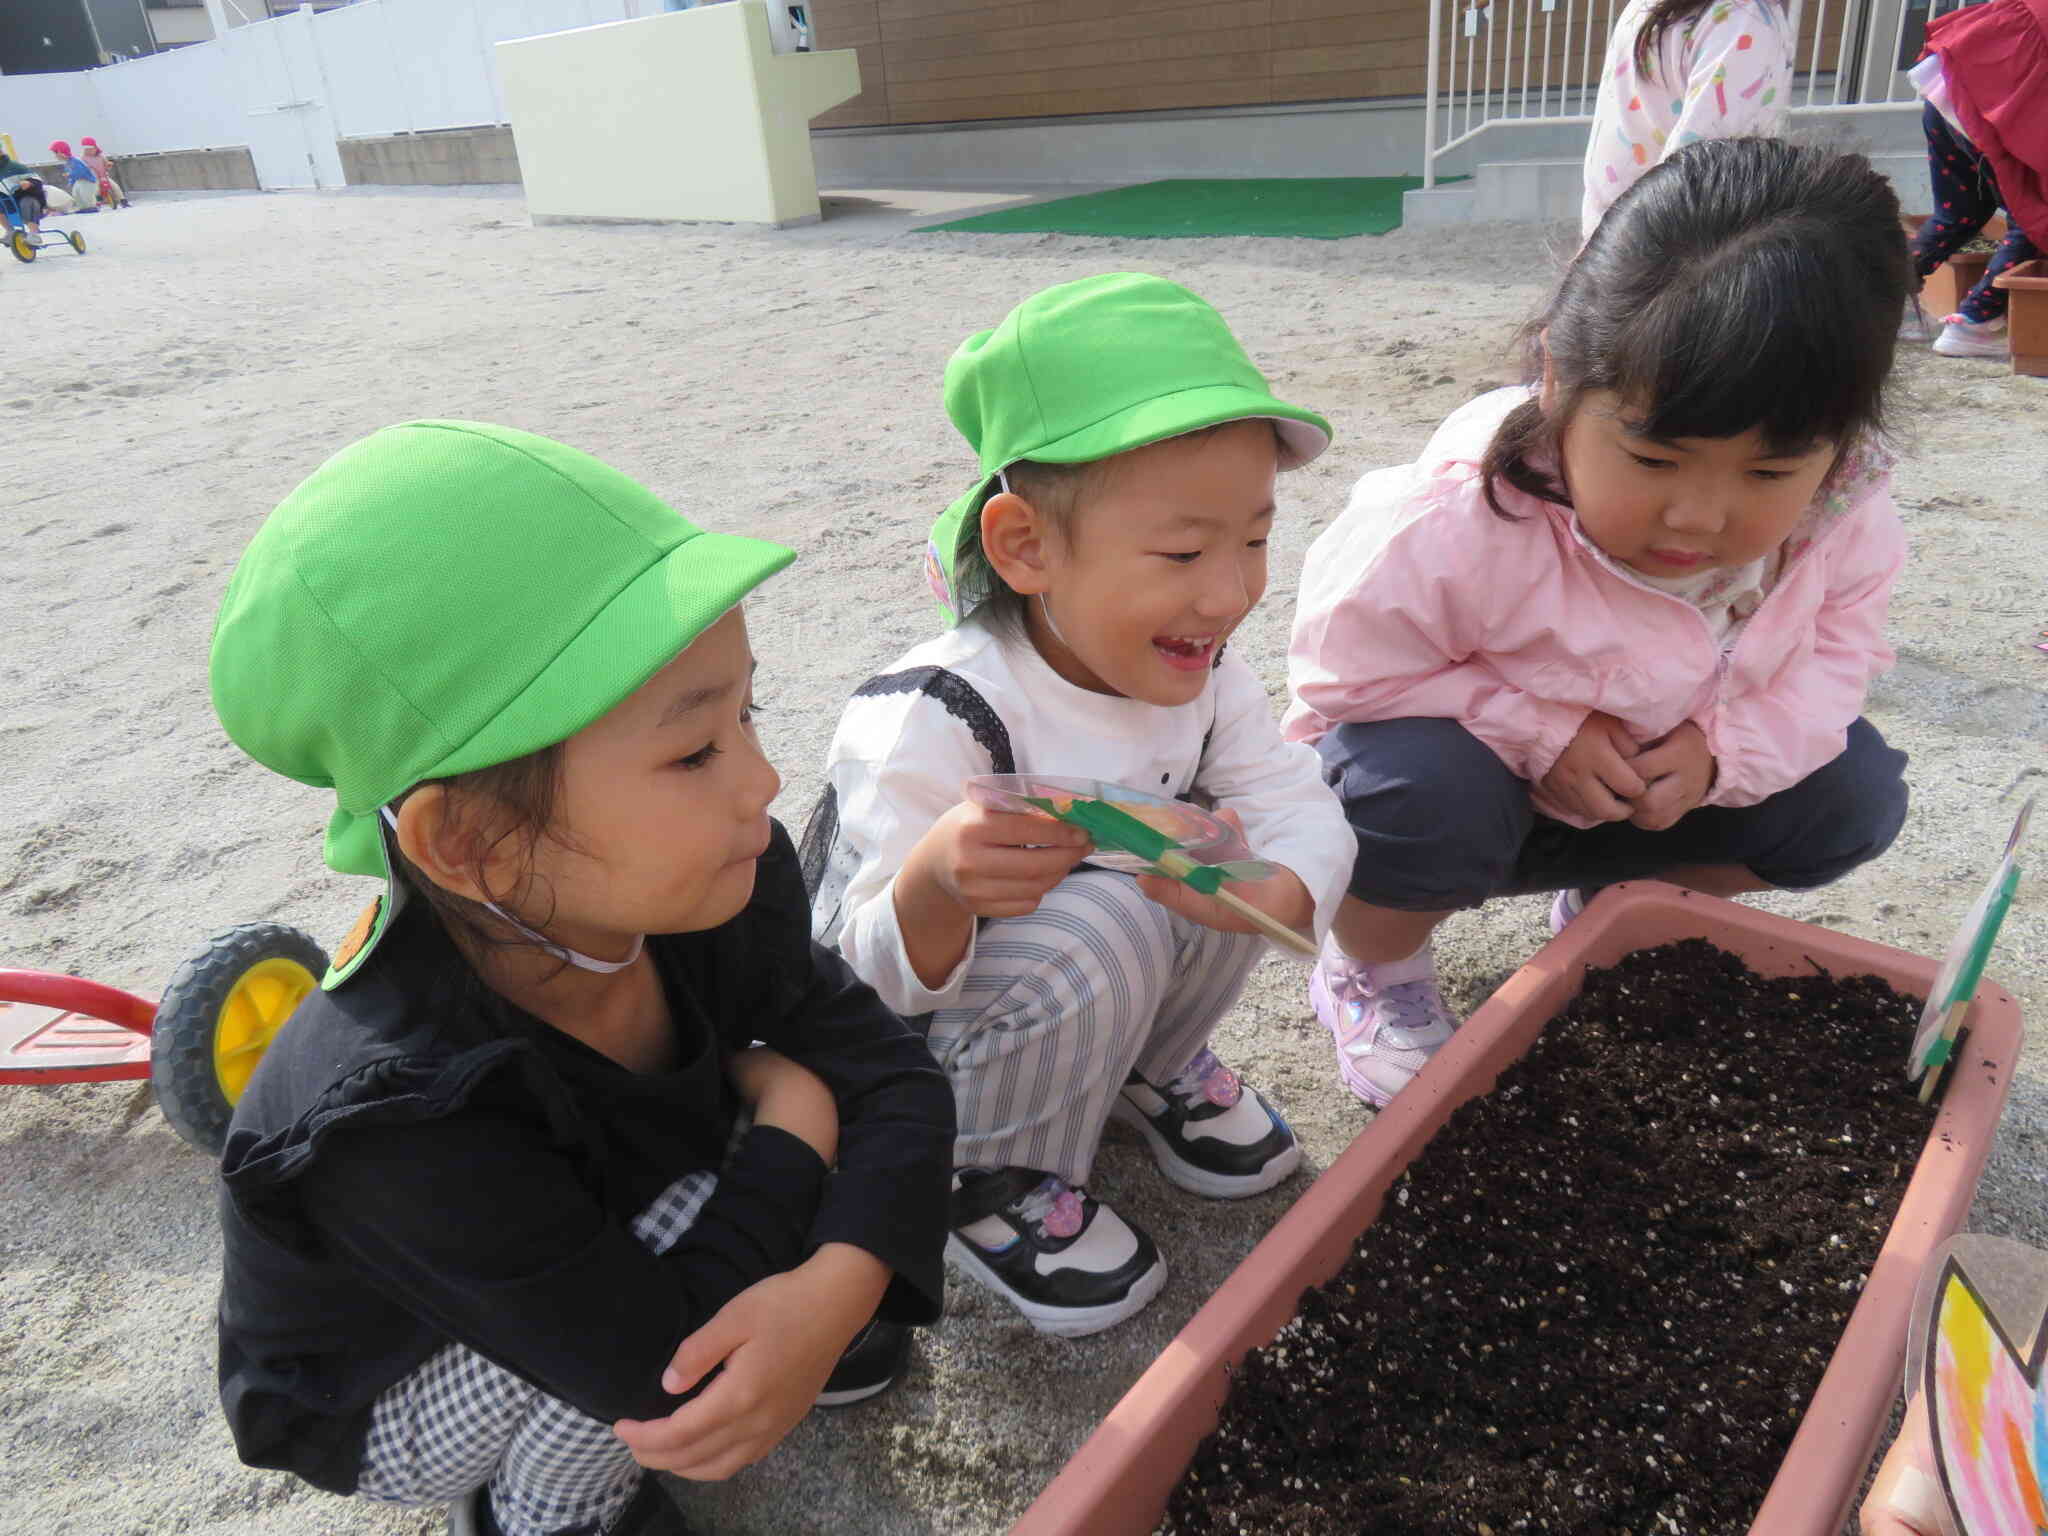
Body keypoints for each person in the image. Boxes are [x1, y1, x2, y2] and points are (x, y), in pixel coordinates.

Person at [207, 421, 955, 1536]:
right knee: (707, 1248)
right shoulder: (404, 1115)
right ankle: (547, 1513)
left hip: (568, 1233)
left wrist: (834, 1285)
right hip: (385, 1385)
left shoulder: (702, 889)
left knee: (773, 1175)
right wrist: (799, 1124)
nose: (762, 780)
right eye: (693, 751)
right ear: (468, 842)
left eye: (745, 712)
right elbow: (661, 1375)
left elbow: (895, 1073)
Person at [1289, 138, 1913, 1109]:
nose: (1697, 518)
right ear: (1556, 380)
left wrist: (1720, 753)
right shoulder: (1456, 518)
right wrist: (1535, 728)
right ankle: (1371, 968)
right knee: (1414, 784)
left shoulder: (1841, 518)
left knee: (1852, 795)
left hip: (1650, 801)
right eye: (1654, 460)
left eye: (1767, 472)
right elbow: (1344, 679)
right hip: (1472, 802)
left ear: (1838, 448)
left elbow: (1837, 660)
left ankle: (1616, 911)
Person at [805, 273, 1353, 1337]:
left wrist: (1281, 886)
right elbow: (847, 979)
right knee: (1108, 915)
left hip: (1086, 977)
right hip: (928, 1041)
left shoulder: (1205, 673)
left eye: (1253, 539)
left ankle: (1145, 1066)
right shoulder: (935, 714)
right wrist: (936, 882)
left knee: (1227, 857)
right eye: (1183, 552)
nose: (1230, 593)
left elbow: (1293, 799)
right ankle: (986, 1170)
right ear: (1025, 547)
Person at [1581, 0, 1795, 242]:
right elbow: (1706, 174)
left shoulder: (1647, 7)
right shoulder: (1745, 20)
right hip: (1661, 248)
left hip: (1609, 237)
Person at [1905, 0, 2048, 357]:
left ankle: (1880, 296)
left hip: (1949, 87)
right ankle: (1974, 322)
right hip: (1991, 106)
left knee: (1958, 212)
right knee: (2034, 217)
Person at [0, 149, 46, 241]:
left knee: (27, 202)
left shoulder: (15, 167)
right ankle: (10, 231)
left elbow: (37, 180)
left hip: (28, 196)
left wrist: (29, 182)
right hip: (9, 200)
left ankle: (34, 233)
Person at [47, 140, 100, 214]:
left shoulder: (75, 161)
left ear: (61, 152)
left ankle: (91, 206)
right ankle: (83, 207)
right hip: (79, 181)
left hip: (87, 181)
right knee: (76, 193)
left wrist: (70, 175)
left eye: (56, 153)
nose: (55, 155)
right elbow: (72, 175)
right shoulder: (67, 163)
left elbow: (81, 172)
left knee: (85, 193)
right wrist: (71, 181)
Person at [78, 137, 127, 209]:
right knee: (96, 189)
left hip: (104, 176)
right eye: (86, 149)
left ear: (95, 148)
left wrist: (108, 165)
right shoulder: (83, 158)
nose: (88, 151)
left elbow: (106, 164)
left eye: (90, 149)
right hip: (94, 178)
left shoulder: (100, 156)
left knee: (115, 186)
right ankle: (97, 201)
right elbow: (81, 167)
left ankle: (123, 200)